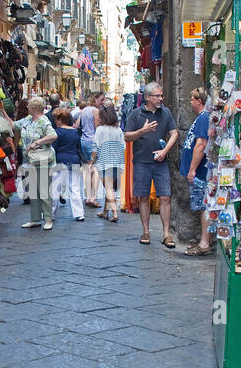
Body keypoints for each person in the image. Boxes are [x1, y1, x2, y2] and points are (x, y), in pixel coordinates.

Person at [123, 81, 179, 247]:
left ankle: (166, 234)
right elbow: (127, 137)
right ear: (147, 97)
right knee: (144, 197)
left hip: (160, 162)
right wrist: (143, 131)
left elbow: (174, 133)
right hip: (141, 162)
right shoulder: (135, 114)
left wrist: (165, 151)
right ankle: (146, 231)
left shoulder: (166, 113)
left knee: (165, 196)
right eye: (157, 96)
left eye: (161, 95)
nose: (160, 98)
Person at [14, 95, 57, 230]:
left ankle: (48, 219)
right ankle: (35, 218)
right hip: (29, 160)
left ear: (35, 108)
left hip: (43, 160)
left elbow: (53, 135)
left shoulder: (43, 121)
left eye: (29, 105)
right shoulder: (27, 120)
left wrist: (37, 142)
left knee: (44, 191)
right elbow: (13, 125)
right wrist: (2, 111)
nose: (27, 107)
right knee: (33, 190)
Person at [180, 87, 213, 256]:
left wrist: (192, 169)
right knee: (202, 205)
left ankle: (205, 242)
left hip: (200, 171)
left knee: (204, 205)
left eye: (192, 99)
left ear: (199, 101)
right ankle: (205, 240)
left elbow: (201, 144)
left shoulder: (204, 117)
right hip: (199, 170)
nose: (190, 102)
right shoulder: (202, 117)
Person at [90, 103, 125, 222]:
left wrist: (91, 162)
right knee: (110, 188)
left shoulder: (100, 130)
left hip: (104, 163)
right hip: (117, 163)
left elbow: (95, 148)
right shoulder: (119, 130)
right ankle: (105, 212)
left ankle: (114, 213)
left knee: (108, 188)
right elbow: (123, 146)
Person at [50, 107, 85, 221]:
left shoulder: (57, 132)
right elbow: (79, 148)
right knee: (74, 188)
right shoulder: (75, 132)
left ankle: (51, 213)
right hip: (74, 160)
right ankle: (79, 213)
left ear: (59, 120)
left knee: (56, 188)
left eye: (56, 120)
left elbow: (54, 148)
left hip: (60, 160)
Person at [78, 91, 103, 209]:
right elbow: (97, 127)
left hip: (83, 141)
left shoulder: (84, 110)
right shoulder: (95, 111)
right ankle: (93, 197)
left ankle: (87, 197)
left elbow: (76, 125)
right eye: (101, 100)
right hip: (93, 141)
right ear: (96, 99)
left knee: (87, 169)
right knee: (96, 169)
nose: (102, 102)